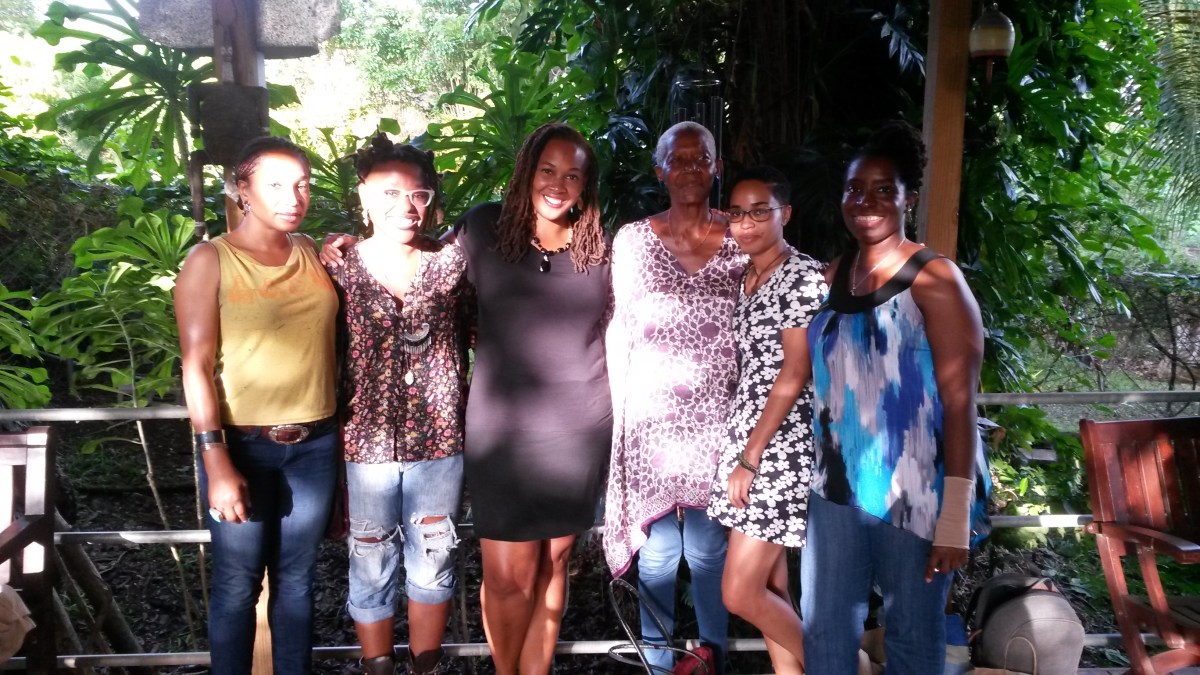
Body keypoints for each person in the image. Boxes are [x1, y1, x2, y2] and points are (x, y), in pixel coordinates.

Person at [323, 122, 611, 675]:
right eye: (547, 170)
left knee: (554, 564)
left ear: (586, 185)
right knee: (507, 575)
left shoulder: (600, 246)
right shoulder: (483, 229)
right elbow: (414, 254)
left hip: (580, 428)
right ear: (526, 171)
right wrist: (335, 245)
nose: (558, 184)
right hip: (503, 431)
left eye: (573, 175)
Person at [800, 121, 984, 674]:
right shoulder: (834, 275)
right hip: (836, 488)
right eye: (854, 189)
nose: (866, 201)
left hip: (917, 491)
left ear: (909, 198)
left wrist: (955, 515)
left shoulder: (934, 279)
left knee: (912, 636)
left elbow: (960, 402)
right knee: (824, 631)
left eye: (884, 189)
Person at [175, 136, 338, 675]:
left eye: (303, 185)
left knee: (298, 581)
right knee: (236, 585)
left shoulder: (309, 250)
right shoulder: (210, 260)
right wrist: (215, 458)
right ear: (242, 190)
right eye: (276, 185)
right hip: (242, 446)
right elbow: (195, 366)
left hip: (315, 445)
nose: (294, 197)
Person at [329, 134, 472, 675]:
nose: (406, 206)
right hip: (364, 440)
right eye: (389, 193)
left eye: (418, 194)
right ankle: (378, 666)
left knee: (434, 555)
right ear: (364, 197)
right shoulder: (338, 266)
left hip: (439, 442)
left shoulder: (453, 264)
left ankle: (425, 668)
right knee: (369, 556)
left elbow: (487, 328)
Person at [604, 120, 741, 673]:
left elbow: (785, 288)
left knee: (709, 551)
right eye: (676, 160)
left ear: (716, 167)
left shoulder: (742, 236)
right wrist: (619, 418)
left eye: (699, 158)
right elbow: (620, 327)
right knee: (658, 552)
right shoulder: (633, 241)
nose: (688, 169)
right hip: (652, 424)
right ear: (659, 170)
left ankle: (710, 662)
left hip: (719, 422)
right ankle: (658, 666)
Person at [706, 167, 827, 675]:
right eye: (737, 213)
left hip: (779, 447)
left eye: (761, 212)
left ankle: (852, 665)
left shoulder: (800, 276)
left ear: (786, 214)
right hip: (749, 436)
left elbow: (796, 371)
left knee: (739, 592)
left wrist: (750, 458)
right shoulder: (749, 276)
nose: (746, 223)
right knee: (772, 588)